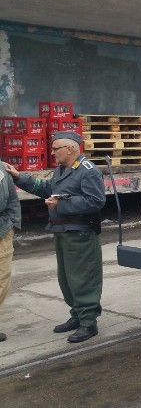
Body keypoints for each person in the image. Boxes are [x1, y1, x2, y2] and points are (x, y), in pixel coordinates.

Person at [5, 131, 106, 343]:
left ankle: (89, 322)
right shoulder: (62, 170)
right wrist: (18, 177)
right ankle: (77, 315)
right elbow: (47, 189)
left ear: (70, 149)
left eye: (55, 149)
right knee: (67, 279)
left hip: (79, 233)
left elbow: (96, 201)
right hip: (62, 232)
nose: (52, 153)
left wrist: (62, 204)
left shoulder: (87, 171)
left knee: (83, 279)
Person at [0, 161, 21, 343]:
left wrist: (13, 225)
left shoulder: (2, 169)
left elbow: (12, 199)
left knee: (2, 279)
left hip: (2, 231)